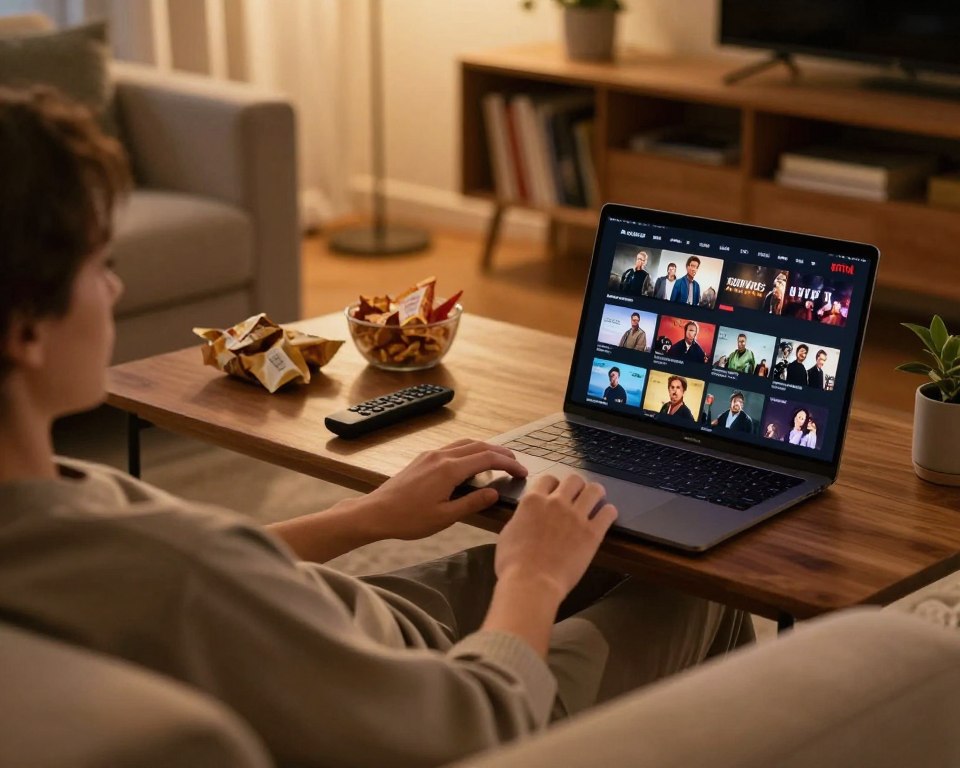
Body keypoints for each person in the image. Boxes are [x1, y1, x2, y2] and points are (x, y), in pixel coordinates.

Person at [0, 88, 755, 768]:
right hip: (461, 700)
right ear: (26, 331)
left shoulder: (47, 511)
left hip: (352, 636)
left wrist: (364, 517)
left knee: (614, 545)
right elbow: (478, 724)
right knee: (706, 584)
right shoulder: (183, 580)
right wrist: (530, 577)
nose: (117, 287)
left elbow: (193, 575)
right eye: (100, 264)